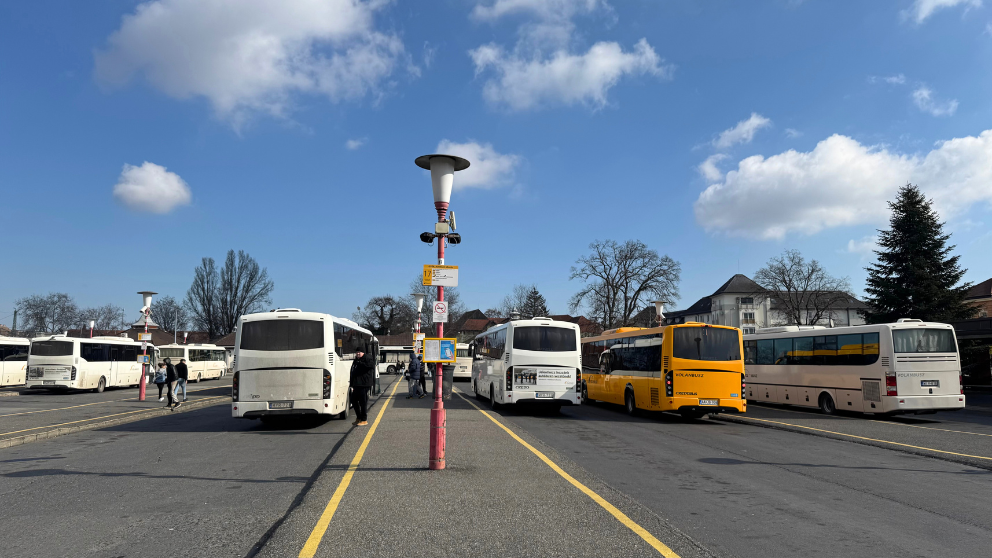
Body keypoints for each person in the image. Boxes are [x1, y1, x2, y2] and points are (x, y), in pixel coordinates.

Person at [349, 344, 376, 426]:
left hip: (364, 384)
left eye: (359, 352)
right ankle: (359, 417)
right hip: (357, 384)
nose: (358, 354)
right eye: (357, 352)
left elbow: (371, 366)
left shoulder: (367, 358)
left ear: (363, 352)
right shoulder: (356, 360)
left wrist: (361, 363)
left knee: (362, 402)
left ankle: (364, 419)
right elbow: (353, 371)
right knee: (353, 400)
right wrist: (351, 384)